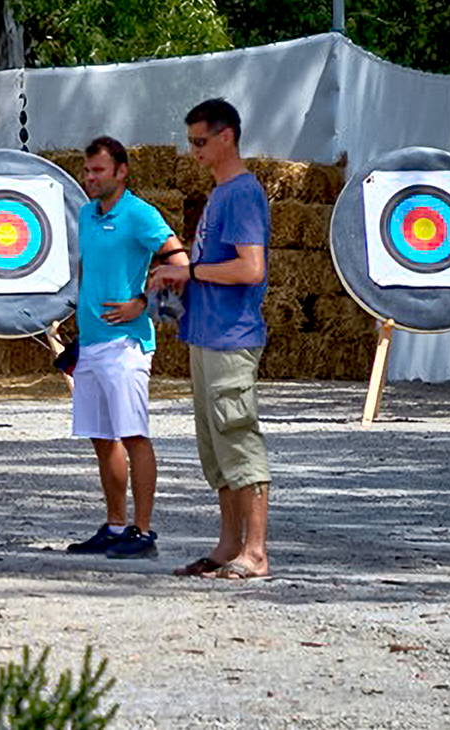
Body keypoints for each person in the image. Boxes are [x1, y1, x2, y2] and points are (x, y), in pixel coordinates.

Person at [148, 98, 273, 580]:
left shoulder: (241, 193)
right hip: (207, 333)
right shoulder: (221, 192)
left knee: (237, 438)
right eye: (190, 142)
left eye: (200, 141)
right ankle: (228, 546)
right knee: (216, 447)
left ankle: (255, 552)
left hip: (230, 336)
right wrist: (182, 278)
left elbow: (250, 268)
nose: (193, 150)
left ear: (227, 137)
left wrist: (193, 272)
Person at [64, 136, 187, 560]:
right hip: (92, 342)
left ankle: (144, 532)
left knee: (134, 435)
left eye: (98, 170)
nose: (90, 178)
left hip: (126, 344)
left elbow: (181, 265)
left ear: (121, 171)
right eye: (86, 170)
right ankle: (116, 526)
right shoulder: (86, 213)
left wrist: (146, 305)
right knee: (102, 437)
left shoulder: (140, 214)